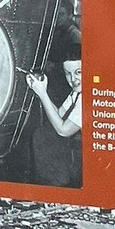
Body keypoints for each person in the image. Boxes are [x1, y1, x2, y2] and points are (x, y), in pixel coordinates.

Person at [26, 53, 83, 187]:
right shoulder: (77, 92)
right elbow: (59, 114)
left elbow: (63, 130)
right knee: (41, 134)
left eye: (78, 72)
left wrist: (43, 94)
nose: (73, 79)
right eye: (68, 73)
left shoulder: (89, 95)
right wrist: (41, 91)